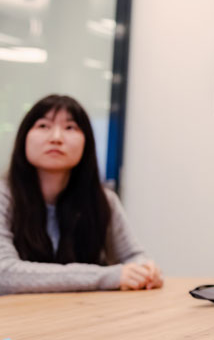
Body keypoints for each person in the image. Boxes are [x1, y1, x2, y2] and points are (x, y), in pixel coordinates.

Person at [0, 94, 163, 294]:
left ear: (87, 142)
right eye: (43, 126)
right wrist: (105, 277)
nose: (56, 138)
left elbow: (134, 256)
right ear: (23, 137)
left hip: (84, 316)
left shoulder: (104, 200)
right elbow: (4, 274)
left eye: (70, 128)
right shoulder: (4, 195)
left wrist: (145, 269)